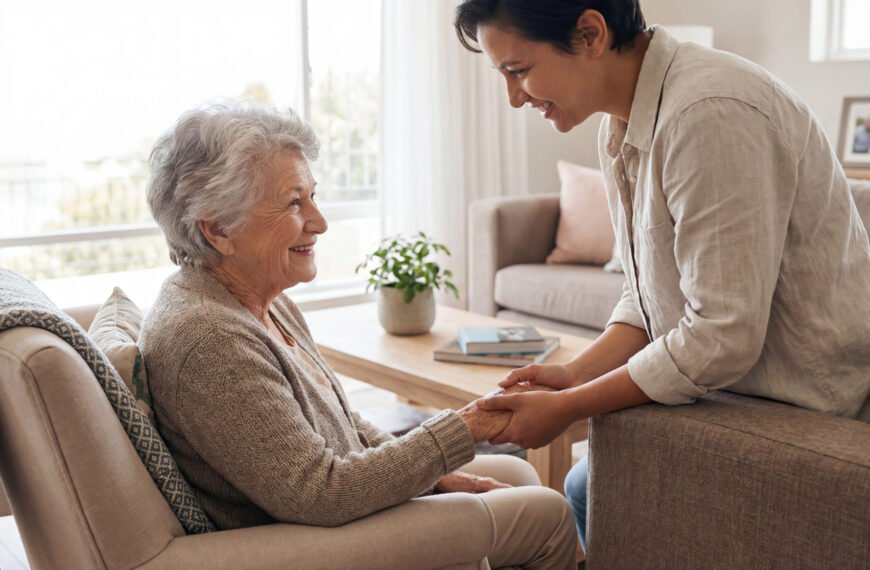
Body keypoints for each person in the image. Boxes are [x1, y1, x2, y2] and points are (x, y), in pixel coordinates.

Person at [454, 0, 870, 553]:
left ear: (590, 33)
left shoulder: (710, 113)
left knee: (587, 484)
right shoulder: (619, 128)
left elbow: (720, 335)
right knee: (585, 486)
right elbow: (648, 294)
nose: (513, 97)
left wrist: (569, 408)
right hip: (739, 387)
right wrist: (574, 374)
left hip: (803, 402)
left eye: (519, 70)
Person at [139, 102, 577, 569]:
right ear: (217, 229)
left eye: (313, 196)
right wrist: (464, 427)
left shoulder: (266, 301)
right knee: (548, 511)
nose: (320, 221)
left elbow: (343, 425)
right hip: (309, 541)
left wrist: (434, 475)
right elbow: (321, 493)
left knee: (516, 469)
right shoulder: (211, 341)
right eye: (293, 202)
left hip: (331, 509)